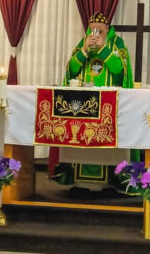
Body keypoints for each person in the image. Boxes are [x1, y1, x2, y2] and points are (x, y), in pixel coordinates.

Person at [51, 12, 135, 196]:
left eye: (99, 30)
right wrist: (83, 51)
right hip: (83, 101)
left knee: (104, 139)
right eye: (92, 29)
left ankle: (111, 180)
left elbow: (120, 71)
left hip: (109, 102)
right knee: (81, 136)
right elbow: (71, 69)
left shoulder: (117, 44)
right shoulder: (83, 43)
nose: (95, 33)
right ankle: (79, 181)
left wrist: (103, 49)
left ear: (107, 30)